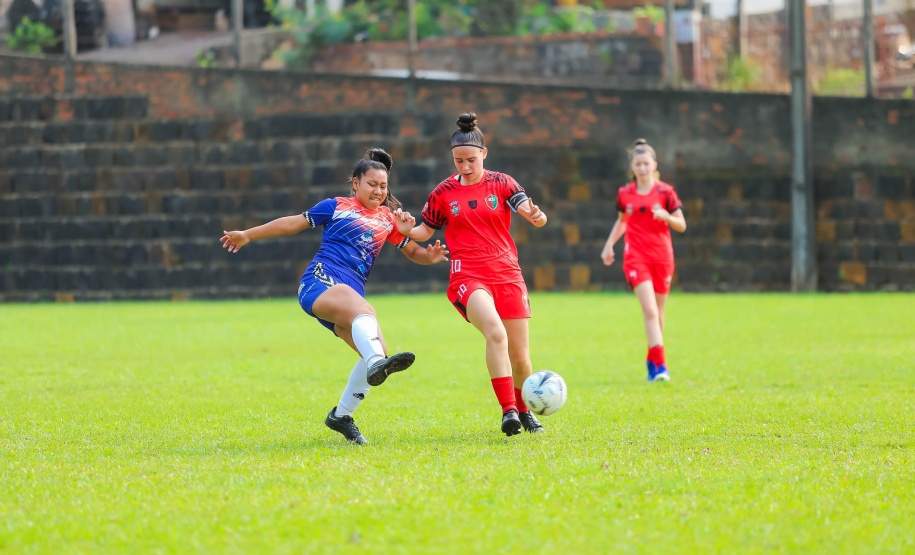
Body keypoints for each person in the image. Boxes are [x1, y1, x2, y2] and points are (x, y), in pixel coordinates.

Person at [220, 148, 449, 444]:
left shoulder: (387, 220)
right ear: (355, 183)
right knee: (370, 330)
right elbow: (292, 223)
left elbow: (414, 251)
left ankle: (341, 416)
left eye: (383, 186)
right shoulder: (335, 206)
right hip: (319, 282)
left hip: (348, 295)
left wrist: (429, 257)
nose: (379, 191)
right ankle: (377, 362)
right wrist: (248, 234)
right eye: (372, 184)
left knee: (374, 350)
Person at [394, 112, 549, 437]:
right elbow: (424, 231)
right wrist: (407, 228)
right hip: (467, 275)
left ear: (484, 154)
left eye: (471, 160)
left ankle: (523, 410)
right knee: (495, 333)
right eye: (458, 161)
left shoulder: (503, 183)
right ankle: (508, 411)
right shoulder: (443, 193)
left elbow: (528, 210)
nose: (464, 167)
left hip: (507, 273)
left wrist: (537, 216)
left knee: (521, 357)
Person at [600, 139, 686, 382]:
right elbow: (622, 221)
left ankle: (652, 359)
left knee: (658, 313)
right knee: (648, 309)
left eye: (646, 163)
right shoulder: (625, 193)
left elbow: (682, 224)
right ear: (633, 166)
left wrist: (666, 216)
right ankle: (660, 367)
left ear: (654, 164)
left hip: (662, 257)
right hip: (635, 256)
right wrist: (609, 245)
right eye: (638, 164)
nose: (642, 168)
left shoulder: (666, 192)